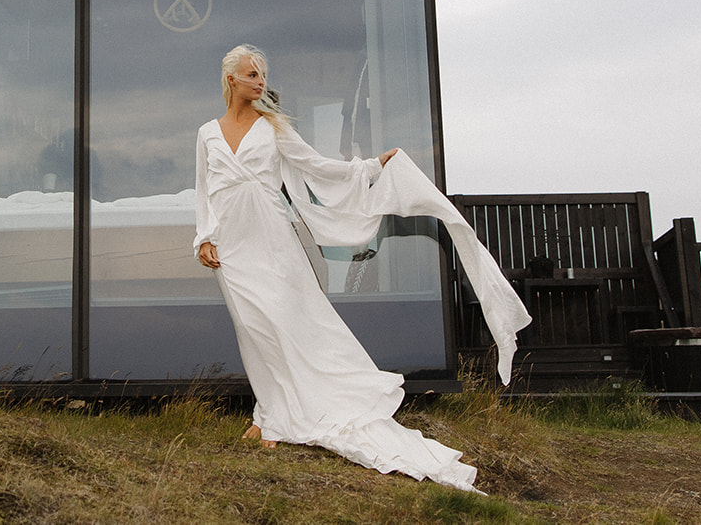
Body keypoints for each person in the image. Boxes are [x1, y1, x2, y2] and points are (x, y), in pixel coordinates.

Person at [195, 45, 530, 492]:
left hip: (271, 239)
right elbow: (204, 189)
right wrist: (204, 237)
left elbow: (318, 165)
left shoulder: (272, 128)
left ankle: (275, 418)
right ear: (231, 80)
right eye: (252, 75)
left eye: (262, 75)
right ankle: (269, 412)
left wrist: (372, 166)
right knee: (252, 327)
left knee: (286, 322)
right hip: (231, 244)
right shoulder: (207, 134)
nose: (260, 82)